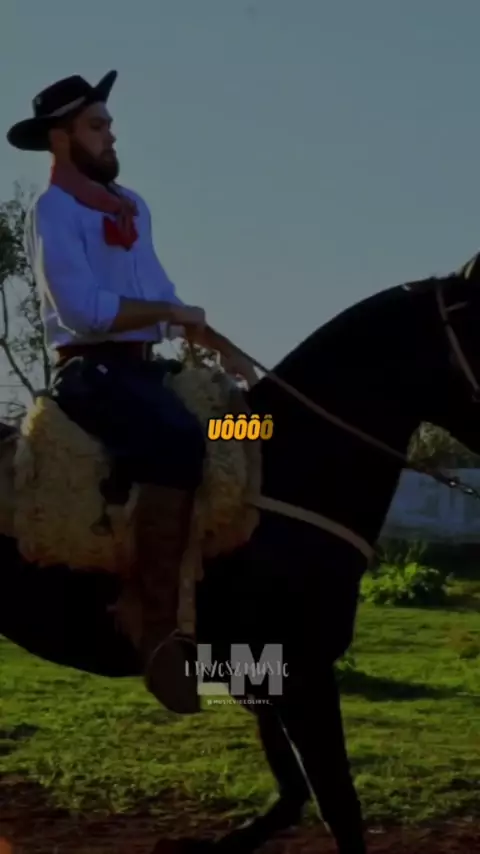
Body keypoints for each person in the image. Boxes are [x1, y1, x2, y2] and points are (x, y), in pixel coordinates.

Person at [6, 70, 255, 714]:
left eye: (110, 124)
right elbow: (84, 311)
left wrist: (224, 346)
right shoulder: (51, 210)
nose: (111, 135)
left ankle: (245, 623)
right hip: (90, 371)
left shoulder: (132, 206)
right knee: (176, 442)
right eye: (97, 126)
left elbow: (165, 299)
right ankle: (158, 629)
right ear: (60, 139)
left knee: (247, 428)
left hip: (145, 367)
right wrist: (173, 314)